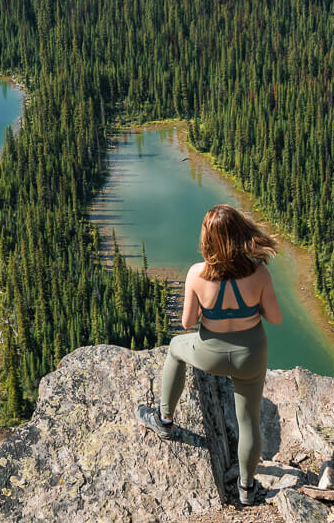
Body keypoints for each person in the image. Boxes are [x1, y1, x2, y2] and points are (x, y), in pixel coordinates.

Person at [136, 203, 283, 508]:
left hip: (210, 354)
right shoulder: (259, 273)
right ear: (241, 234)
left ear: (208, 239)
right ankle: (246, 488)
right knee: (248, 421)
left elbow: (188, 323)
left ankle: (164, 420)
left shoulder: (197, 274)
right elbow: (276, 318)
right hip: (250, 355)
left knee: (176, 349)